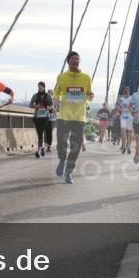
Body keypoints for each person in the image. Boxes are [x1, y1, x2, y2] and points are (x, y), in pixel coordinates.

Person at [53, 51, 94, 183]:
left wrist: (90, 96)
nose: (76, 61)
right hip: (64, 115)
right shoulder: (61, 77)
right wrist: (56, 99)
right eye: (73, 59)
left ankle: (69, 171)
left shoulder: (87, 77)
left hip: (79, 116)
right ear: (68, 61)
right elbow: (57, 91)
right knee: (61, 143)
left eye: (78, 59)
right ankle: (62, 159)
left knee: (76, 145)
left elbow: (89, 95)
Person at [29, 82, 53, 158]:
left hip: (45, 117)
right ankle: (42, 147)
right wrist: (36, 106)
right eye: (39, 86)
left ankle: (39, 150)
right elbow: (30, 105)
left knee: (41, 132)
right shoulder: (35, 96)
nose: (40, 88)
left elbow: (51, 105)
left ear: (44, 87)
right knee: (39, 134)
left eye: (41, 86)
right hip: (37, 117)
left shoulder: (48, 96)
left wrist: (49, 107)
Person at [117, 87, 134, 154]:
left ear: (128, 92)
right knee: (123, 131)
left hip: (129, 116)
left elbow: (133, 108)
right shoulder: (121, 99)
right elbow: (120, 108)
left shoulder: (131, 98)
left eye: (127, 91)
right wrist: (119, 111)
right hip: (123, 116)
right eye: (124, 91)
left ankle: (128, 146)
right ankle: (124, 146)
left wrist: (131, 110)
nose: (125, 92)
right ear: (123, 92)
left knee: (130, 132)